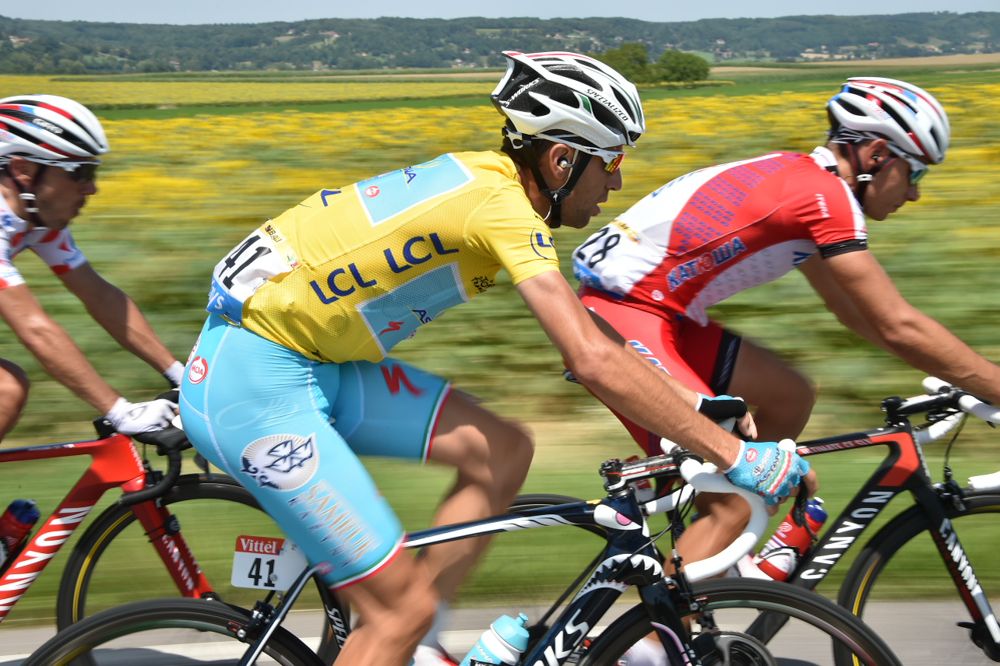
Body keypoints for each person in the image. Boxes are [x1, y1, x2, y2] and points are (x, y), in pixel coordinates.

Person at [178, 50, 812, 666]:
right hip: (256, 387)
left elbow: (591, 332)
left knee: (502, 450)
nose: (617, 182)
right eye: (612, 161)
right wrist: (730, 454)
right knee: (395, 611)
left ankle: (421, 643)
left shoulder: (490, 181)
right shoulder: (499, 206)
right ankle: (406, 630)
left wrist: (698, 411)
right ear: (563, 158)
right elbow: (588, 357)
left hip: (312, 364)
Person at [572, 76, 1000, 569]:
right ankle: (648, 643)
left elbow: (855, 314)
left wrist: (960, 378)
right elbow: (897, 324)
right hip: (624, 314)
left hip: (661, 311)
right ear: (879, 155)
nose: (916, 195)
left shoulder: (808, 182)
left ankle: (719, 548)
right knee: (736, 497)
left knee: (791, 394)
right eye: (916, 174)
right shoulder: (825, 199)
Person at [0, 94, 182, 441]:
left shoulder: (36, 221)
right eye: (79, 173)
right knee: (6, 389)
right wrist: (119, 411)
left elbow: (98, 294)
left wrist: (179, 374)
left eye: (92, 171)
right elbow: (34, 327)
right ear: (24, 170)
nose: (92, 188)